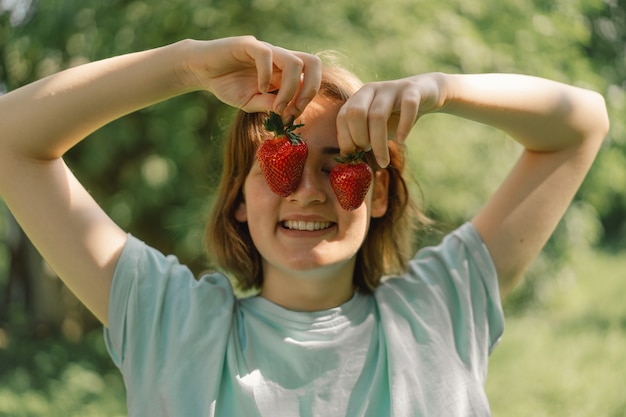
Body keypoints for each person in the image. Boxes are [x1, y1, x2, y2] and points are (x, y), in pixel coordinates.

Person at [0, 36, 608, 416]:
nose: (311, 189)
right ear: (238, 201)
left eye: (342, 162)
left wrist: (442, 90)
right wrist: (188, 65)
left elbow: (582, 124)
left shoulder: (443, 306)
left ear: (375, 195)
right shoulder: (169, 322)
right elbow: (10, 138)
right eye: (279, 166)